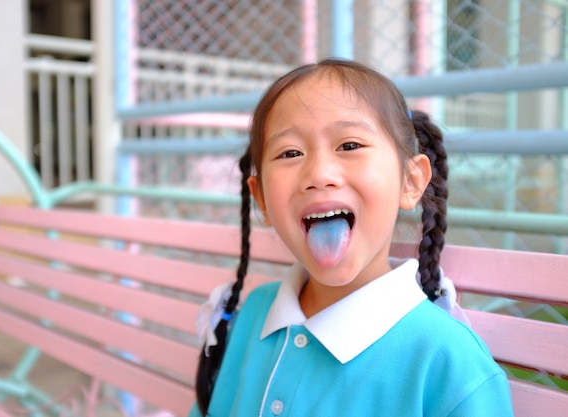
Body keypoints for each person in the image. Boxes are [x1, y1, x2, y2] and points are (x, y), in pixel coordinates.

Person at [189, 59, 514, 416]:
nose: (320, 174)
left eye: (349, 145)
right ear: (262, 198)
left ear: (410, 181)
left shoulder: (450, 363)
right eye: (290, 153)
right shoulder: (254, 311)